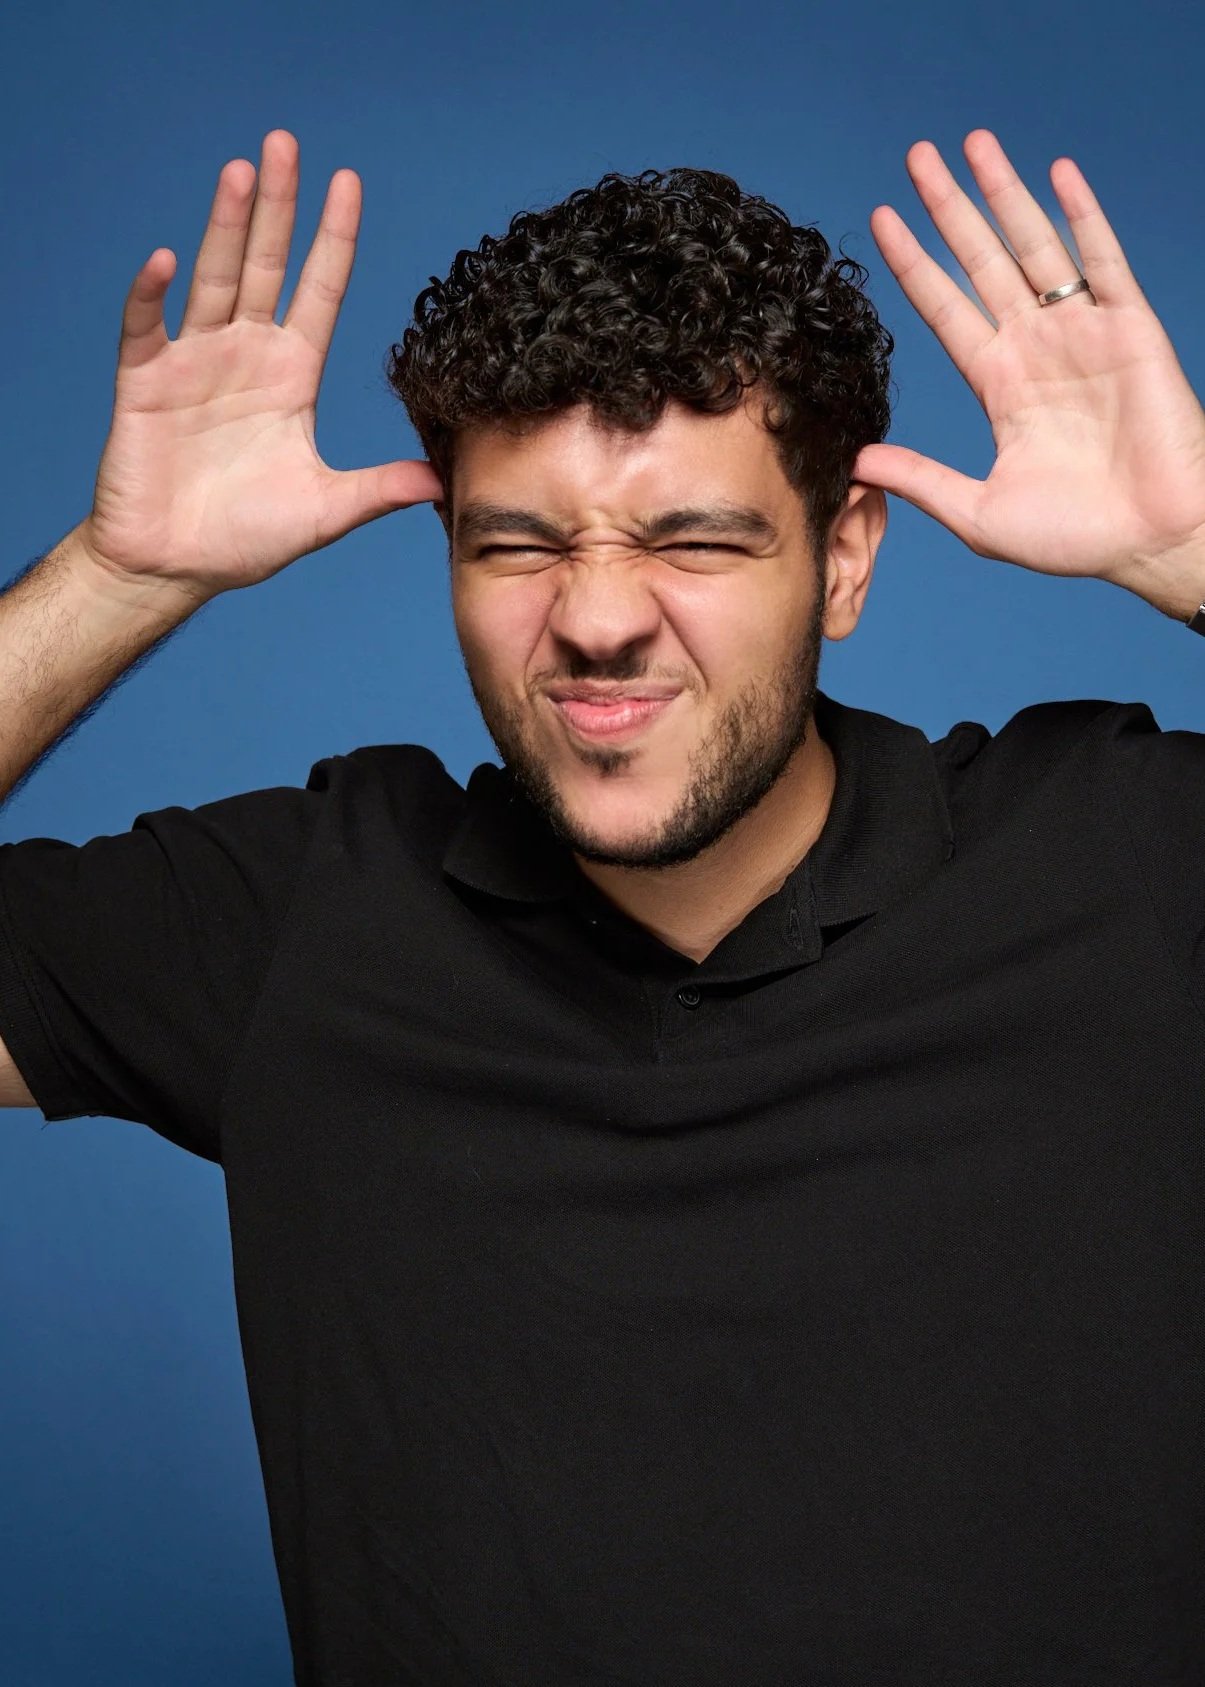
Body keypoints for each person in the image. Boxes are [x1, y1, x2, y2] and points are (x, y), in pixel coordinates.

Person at [1, 125, 1203, 1685]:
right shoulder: (302, 917)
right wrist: (118, 574)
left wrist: (1193, 551)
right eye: (518, 545)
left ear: (841, 561)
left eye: (689, 540)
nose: (596, 619)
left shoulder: (1121, 860)